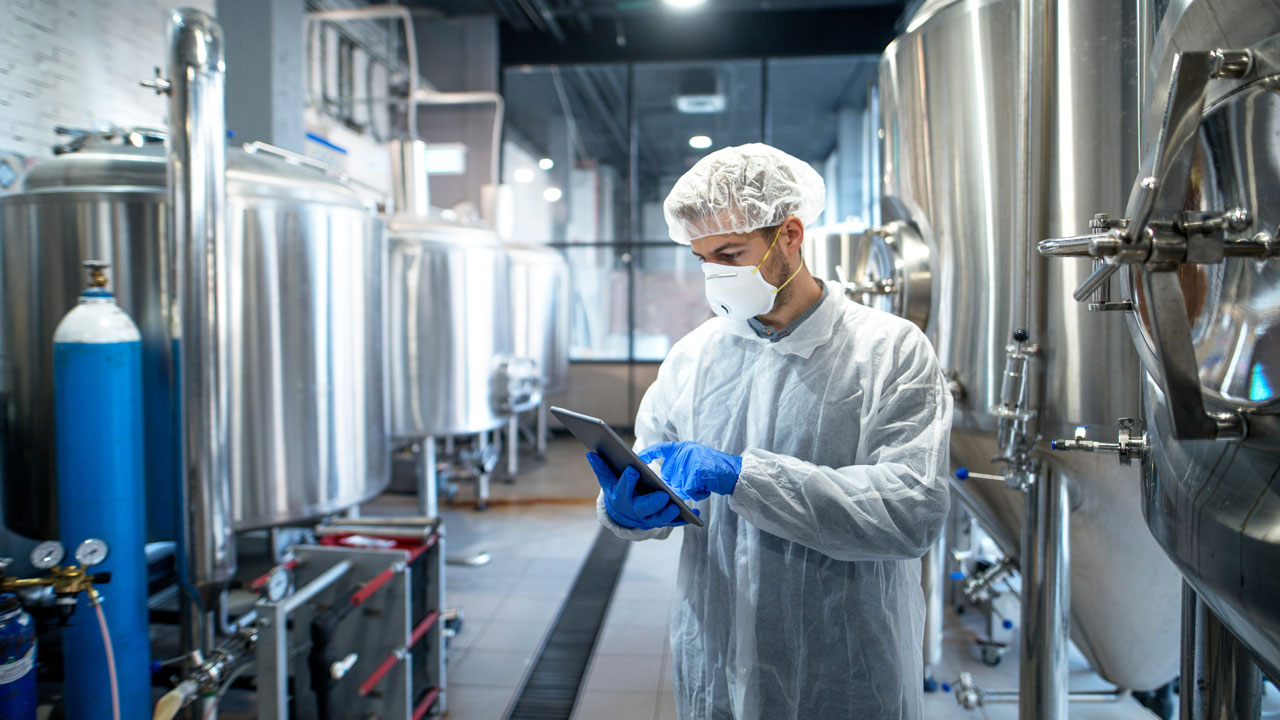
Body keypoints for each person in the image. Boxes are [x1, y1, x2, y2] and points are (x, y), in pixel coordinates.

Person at [585, 143, 952, 720]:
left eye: (730, 253)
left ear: (790, 235)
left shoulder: (889, 351)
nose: (716, 275)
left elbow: (912, 512)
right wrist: (627, 507)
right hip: (715, 663)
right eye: (703, 258)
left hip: (846, 667)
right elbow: (652, 465)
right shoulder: (693, 358)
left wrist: (743, 476)